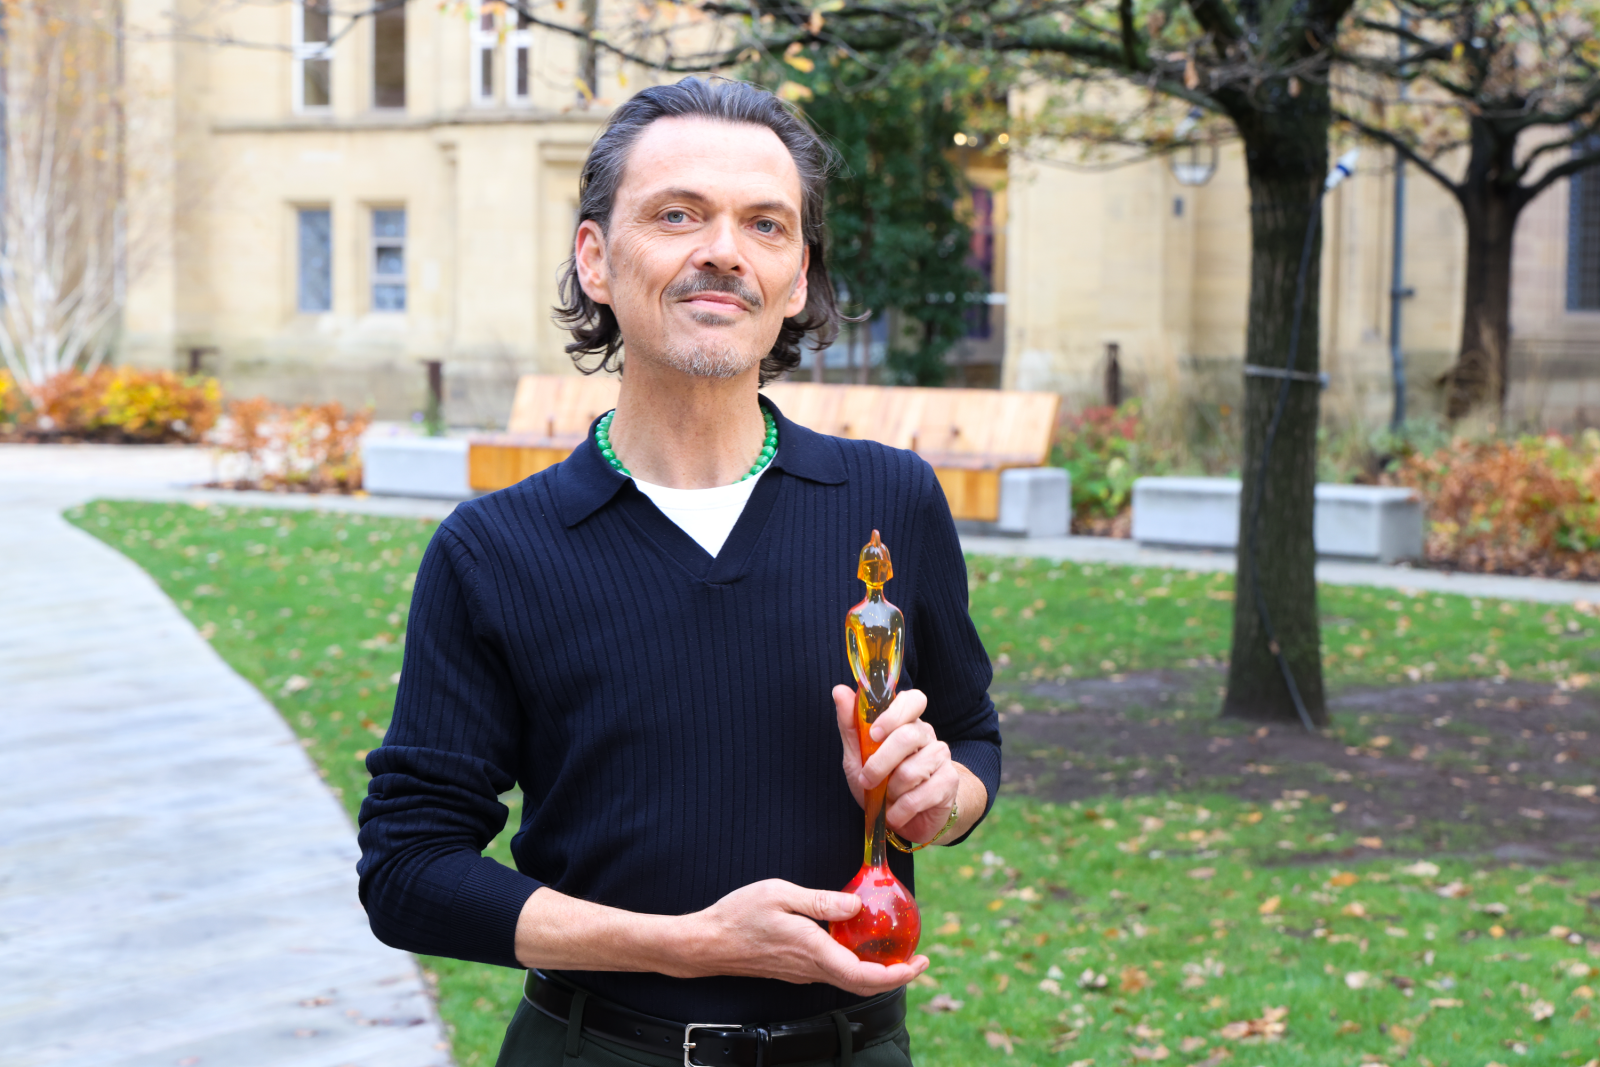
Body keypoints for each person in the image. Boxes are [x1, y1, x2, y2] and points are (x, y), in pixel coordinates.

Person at [356, 77, 1001, 1067]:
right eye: (676, 214)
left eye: (765, 224)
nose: (723, 251)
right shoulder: (494, 550)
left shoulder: (890, 502)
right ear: (596, 257)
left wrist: (937, 795)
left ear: (795, 278)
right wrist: (690, 943)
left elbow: (969, 738)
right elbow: (408, 871)